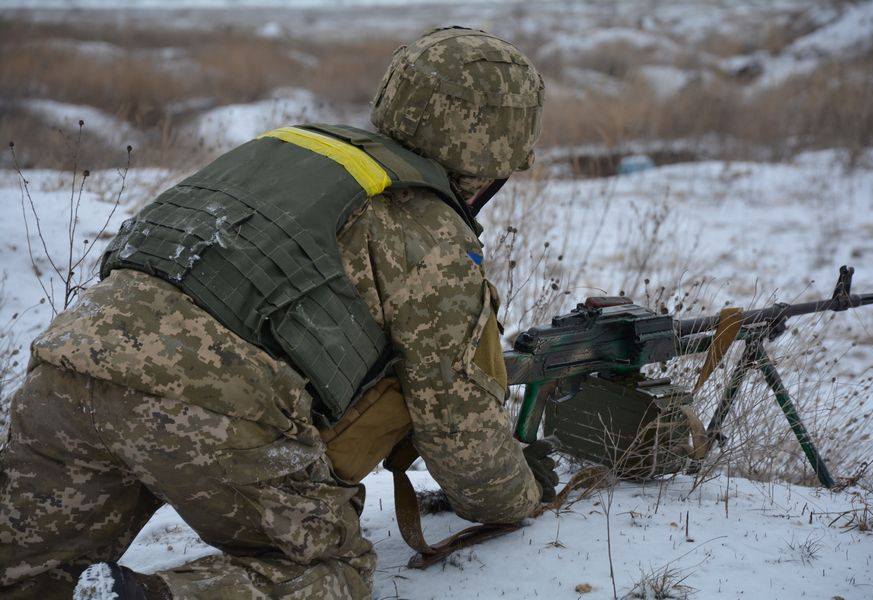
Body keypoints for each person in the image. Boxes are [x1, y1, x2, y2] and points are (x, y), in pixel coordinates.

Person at [0, 26, 557, 600]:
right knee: (324, 569)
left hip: (63, 375)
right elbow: (457, 430)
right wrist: (524, 494)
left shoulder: (284, 150)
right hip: (206, 411)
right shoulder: (428, 228)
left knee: (26, 579)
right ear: (498, 159)